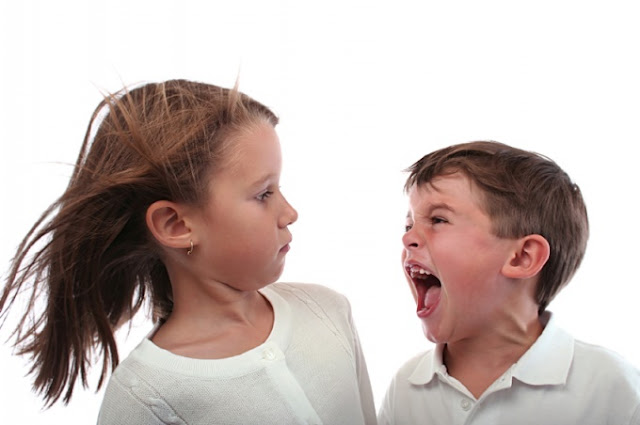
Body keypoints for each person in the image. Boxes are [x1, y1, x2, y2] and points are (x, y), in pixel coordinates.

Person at [0, 79, 376, 425]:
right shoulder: (144, 399)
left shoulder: (328, 311)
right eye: (264, 194)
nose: (290, 212)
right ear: (175, 225)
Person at [378, 141, 640, 424]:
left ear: (522, 257)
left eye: (438, 219)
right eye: (409, 225)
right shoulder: (406, 389)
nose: (408, 238)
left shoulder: (612, 388)